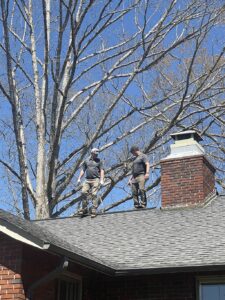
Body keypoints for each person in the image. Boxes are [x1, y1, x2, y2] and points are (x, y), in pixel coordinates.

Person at [77, 148, 104, 217]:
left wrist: (101, 180)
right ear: (92, 153)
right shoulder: (86, 161)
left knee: (94, 193)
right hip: (87, 180)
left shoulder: (99, 161)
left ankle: (94, 209)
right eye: (95, 154)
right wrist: (79, 178)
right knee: (83, 192)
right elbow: (83, 170)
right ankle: (84, 209)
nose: (96, 155)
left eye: (97, 154)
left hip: (96, 179)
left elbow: (102, 170)